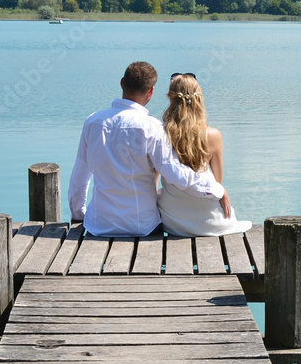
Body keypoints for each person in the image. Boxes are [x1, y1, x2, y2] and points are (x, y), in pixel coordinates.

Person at [68, 62, 231, 237]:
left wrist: (78, 215)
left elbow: (80, 177)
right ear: (151, 91)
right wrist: (216, 190)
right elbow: (177, 174)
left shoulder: (92, 122)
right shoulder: (153, 128)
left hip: (99, 225)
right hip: (142, 227)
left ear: (122, 83)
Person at [157, 73, 252, 236]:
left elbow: (154, 177)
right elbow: (217, 182)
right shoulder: (213, 135)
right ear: (199, 98)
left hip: (173, 221)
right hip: (212, 223)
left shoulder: (160, 133)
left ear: (170, 98)